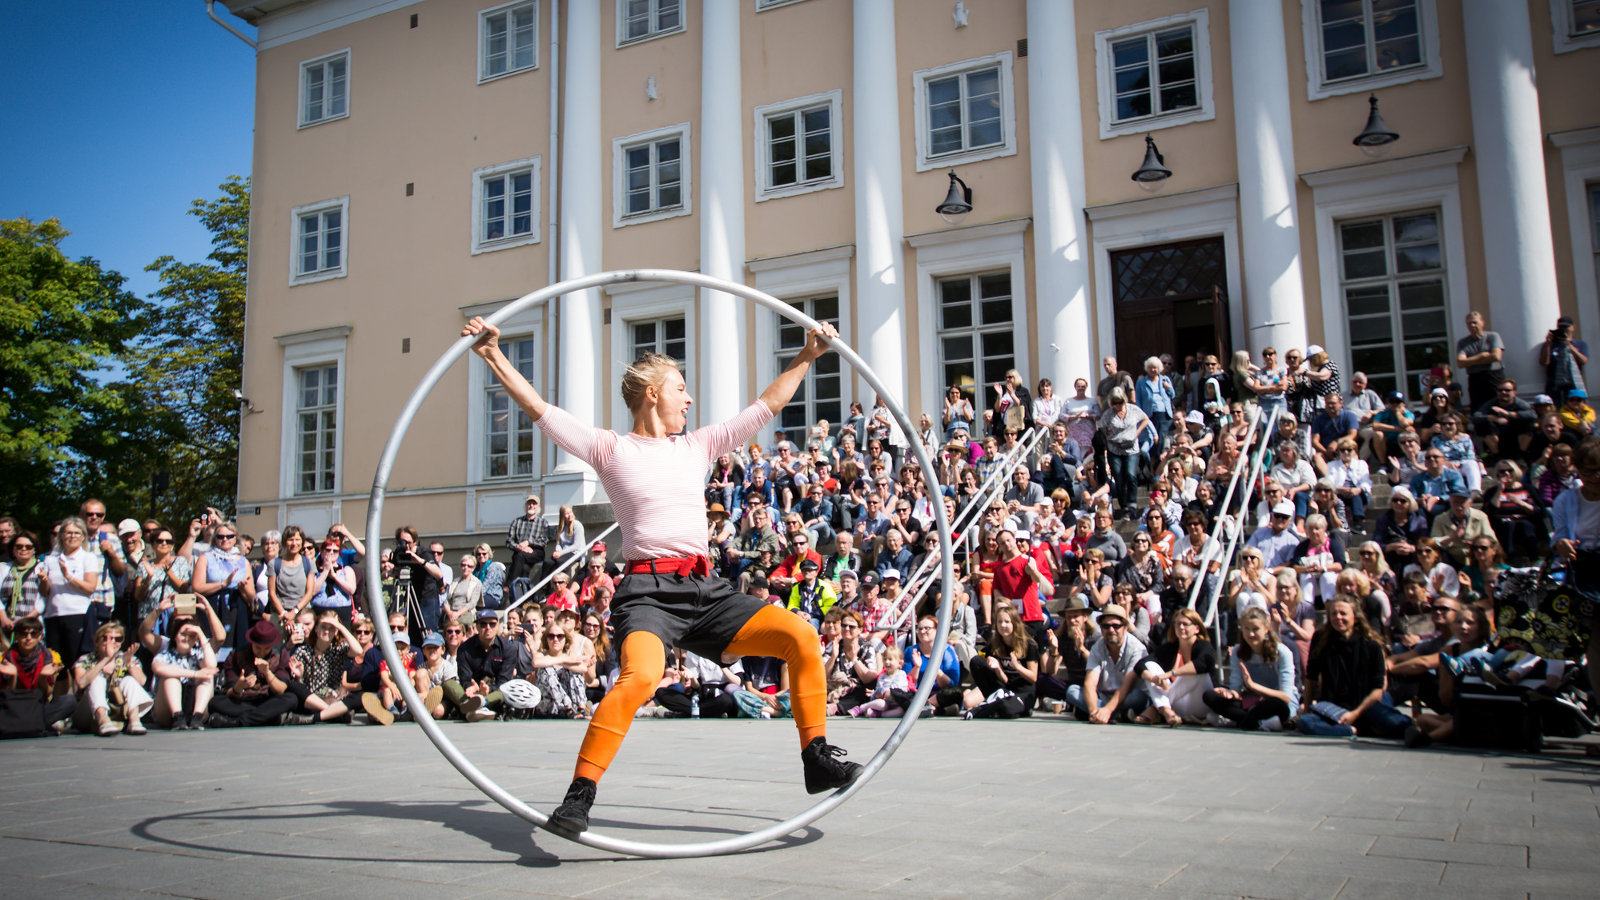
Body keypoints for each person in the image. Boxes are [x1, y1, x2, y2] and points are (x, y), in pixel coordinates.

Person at [463, 313, 861, 836]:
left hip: (708, 589)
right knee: (643, 676)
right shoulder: (611, 449)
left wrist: (808, 356)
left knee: (801, 636)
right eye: (681, 388)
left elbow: (767, 407)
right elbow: (539, 409)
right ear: (652, 393)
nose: (689, 400)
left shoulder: (695, 447)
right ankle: (579, 796)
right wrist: (491, 354)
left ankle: (816, 756)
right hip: (648, 592)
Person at [1296, 594, 1410, 740]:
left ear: (1355, 617)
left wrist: (1355, 713)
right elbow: (1311, 678)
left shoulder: (1371, 645)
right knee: (1306, 722)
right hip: (1333, 709)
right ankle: (1351, 730)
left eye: (1343, 613)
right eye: (1334, 614)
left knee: (1397, 723)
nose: (1338, 617)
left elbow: (1378, 689)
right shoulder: (1320, 639)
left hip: (1365, 707)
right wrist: (1306, 709)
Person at [1203, 607, 1298, 731]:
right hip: (1251, 701)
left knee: (1275, 704)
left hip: (1277, 703)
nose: (1250, 634)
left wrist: (1253, 686)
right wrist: (1229, 694)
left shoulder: (1282, 652)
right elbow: (1236, 689)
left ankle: (1246, 720)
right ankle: (1253, 721)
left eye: (1255, 629)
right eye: (1246, 629)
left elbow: (1285, 697)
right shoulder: (1238, 651)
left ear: (1266, 629)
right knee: (1209, 696)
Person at [1132, 608, 1215, 726]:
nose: (1181, 627)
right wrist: (1154, 679)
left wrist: (1171, 674)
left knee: (1195, 673)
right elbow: (1140, 665)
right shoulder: (1170, 648)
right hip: (1178, 705)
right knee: (1150, 665)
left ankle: (1156, 709)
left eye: (1185, 624)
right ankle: (1166, 711)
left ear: (1197, 628)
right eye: (1178, 624)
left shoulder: (1204, 646)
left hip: (1200, 703)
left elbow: (1203, 664)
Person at [1067, 603, 1147, 723]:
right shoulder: (1097, 647)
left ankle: (1109, 714)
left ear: (1125, 627)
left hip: (1126, 696)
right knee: (1072, 691)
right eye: (1106, 626)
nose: (1111, 630)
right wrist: (1094, 710)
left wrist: (1108, 710)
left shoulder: (1136, 649)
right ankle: (1114, 716)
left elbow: (1127, 686)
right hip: (1103, 698)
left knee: (1139, 696)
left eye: (1116, 626)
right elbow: (1090, 683)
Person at [72, 621, 152, 736]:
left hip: (117, 709)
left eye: (117, 639)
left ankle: (134, 721)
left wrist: (129, 664)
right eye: (107, 638)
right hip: (87, 712)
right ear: (97, 642)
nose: (112, 642)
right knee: (97, 679)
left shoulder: (125, 657)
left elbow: (142, 681)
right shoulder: (85, 660)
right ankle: (103, 720)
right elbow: (81, 683)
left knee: (129, 680)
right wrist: (105, 660)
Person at [41, 516, 101, 667]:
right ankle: (60, 692)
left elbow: (90, 588)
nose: (72, 536)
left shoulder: (88, 558)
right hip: (53, 615)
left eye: (76, 533)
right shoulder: (50, 560)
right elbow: (45, 592)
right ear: (61, 535)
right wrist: (43, 580)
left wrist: (69, 576)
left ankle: (78, 691)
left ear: (83, 537)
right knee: (57, 666)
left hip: (78, 614)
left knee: (77, 664)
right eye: (68, 532)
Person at [0, 617, 74, 733]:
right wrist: (13, 677)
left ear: (39, 636)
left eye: (33, 634)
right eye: (24, 634)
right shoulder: (5, 659)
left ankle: (24, 726)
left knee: (69, 701)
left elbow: (46, 695)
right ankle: (34, 725)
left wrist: (42, 677)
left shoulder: (49, 657)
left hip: (36, 707)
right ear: (17, 636)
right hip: (13, 707)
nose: (28, 638)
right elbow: (5, 697)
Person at [1099, 388, 1155, 518]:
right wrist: (1108, 438)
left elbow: (1145, 419)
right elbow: (1102, 428)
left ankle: (1132, 504)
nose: (1118, 406)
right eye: (1115, 403)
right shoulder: (1108, 414)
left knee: (1131, 474)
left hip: (1131, 449)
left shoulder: (1133, 409)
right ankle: (1123, 504)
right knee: (1118, 477)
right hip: (1115, 448)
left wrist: (1137, 433)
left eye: (1120, 403)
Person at [1455, 311, 1506, 411]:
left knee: (1498, 405)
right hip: (1475, 379)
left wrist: (1470, 362)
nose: (1472, 325)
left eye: (1474, 322)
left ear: (1482, 322)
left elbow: (1496, 357)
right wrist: (1481, 356)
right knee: (1478, 408)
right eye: (1469, 323)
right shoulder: (1463, 342)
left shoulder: (1492, 336)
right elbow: (1460, 363)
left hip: (1493, 376)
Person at [1540, 314, 1588, 403]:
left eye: (1566, 327)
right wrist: (1548, 344)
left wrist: (1569, 345)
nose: (1564, 329)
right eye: (1561, 327)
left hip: (1573, 385)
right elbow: (1544, 362)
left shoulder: (1580, 344)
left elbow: (1583, 361)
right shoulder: (1551, 345)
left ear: (1573, 327)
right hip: (1555, 386)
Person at [506, 495, 553, 584]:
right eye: (529, 503)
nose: (531, 506)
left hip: (536, 552)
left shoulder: (543, 522)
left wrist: (529, 542)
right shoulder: (517, 522)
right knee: (524, 568)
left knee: (519, 556)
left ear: (538, 506)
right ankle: (525, 594)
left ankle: (509, 585)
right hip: (519, 551)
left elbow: (544, 541)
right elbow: (509, 541)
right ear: (526, 505)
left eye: (534, 504)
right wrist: (520, 547)